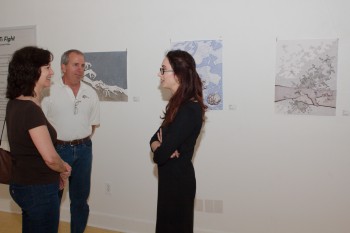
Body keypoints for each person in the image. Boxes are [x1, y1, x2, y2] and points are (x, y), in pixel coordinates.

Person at [6, 46, 72, 233]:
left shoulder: (15, 103)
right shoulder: (30, 109)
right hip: (38, 190)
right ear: (31, 71)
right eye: (47, 67)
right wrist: (63, 168)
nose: (52, 72)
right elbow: (50, 158)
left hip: (23, 185)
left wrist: (59, 166)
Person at [41, 49, 100, 233]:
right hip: (57, 151)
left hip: (84, 151)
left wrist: (78, 140)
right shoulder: (49, 92)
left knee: (80, 201)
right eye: (75, 65)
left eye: (83, 65)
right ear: (63, 67)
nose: (80, 69)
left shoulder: (90, 93)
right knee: (52, 200)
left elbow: (92, 125)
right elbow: (40, 127)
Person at [150, 50, 207, 233]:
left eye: (163, 69)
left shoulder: (189, 110)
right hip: (170, 180)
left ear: (178, 74)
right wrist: (162, 146)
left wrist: (162, 148)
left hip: (178, 183)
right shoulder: (177, 105)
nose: (159, 74)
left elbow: (159, 156)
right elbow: (153, 140)